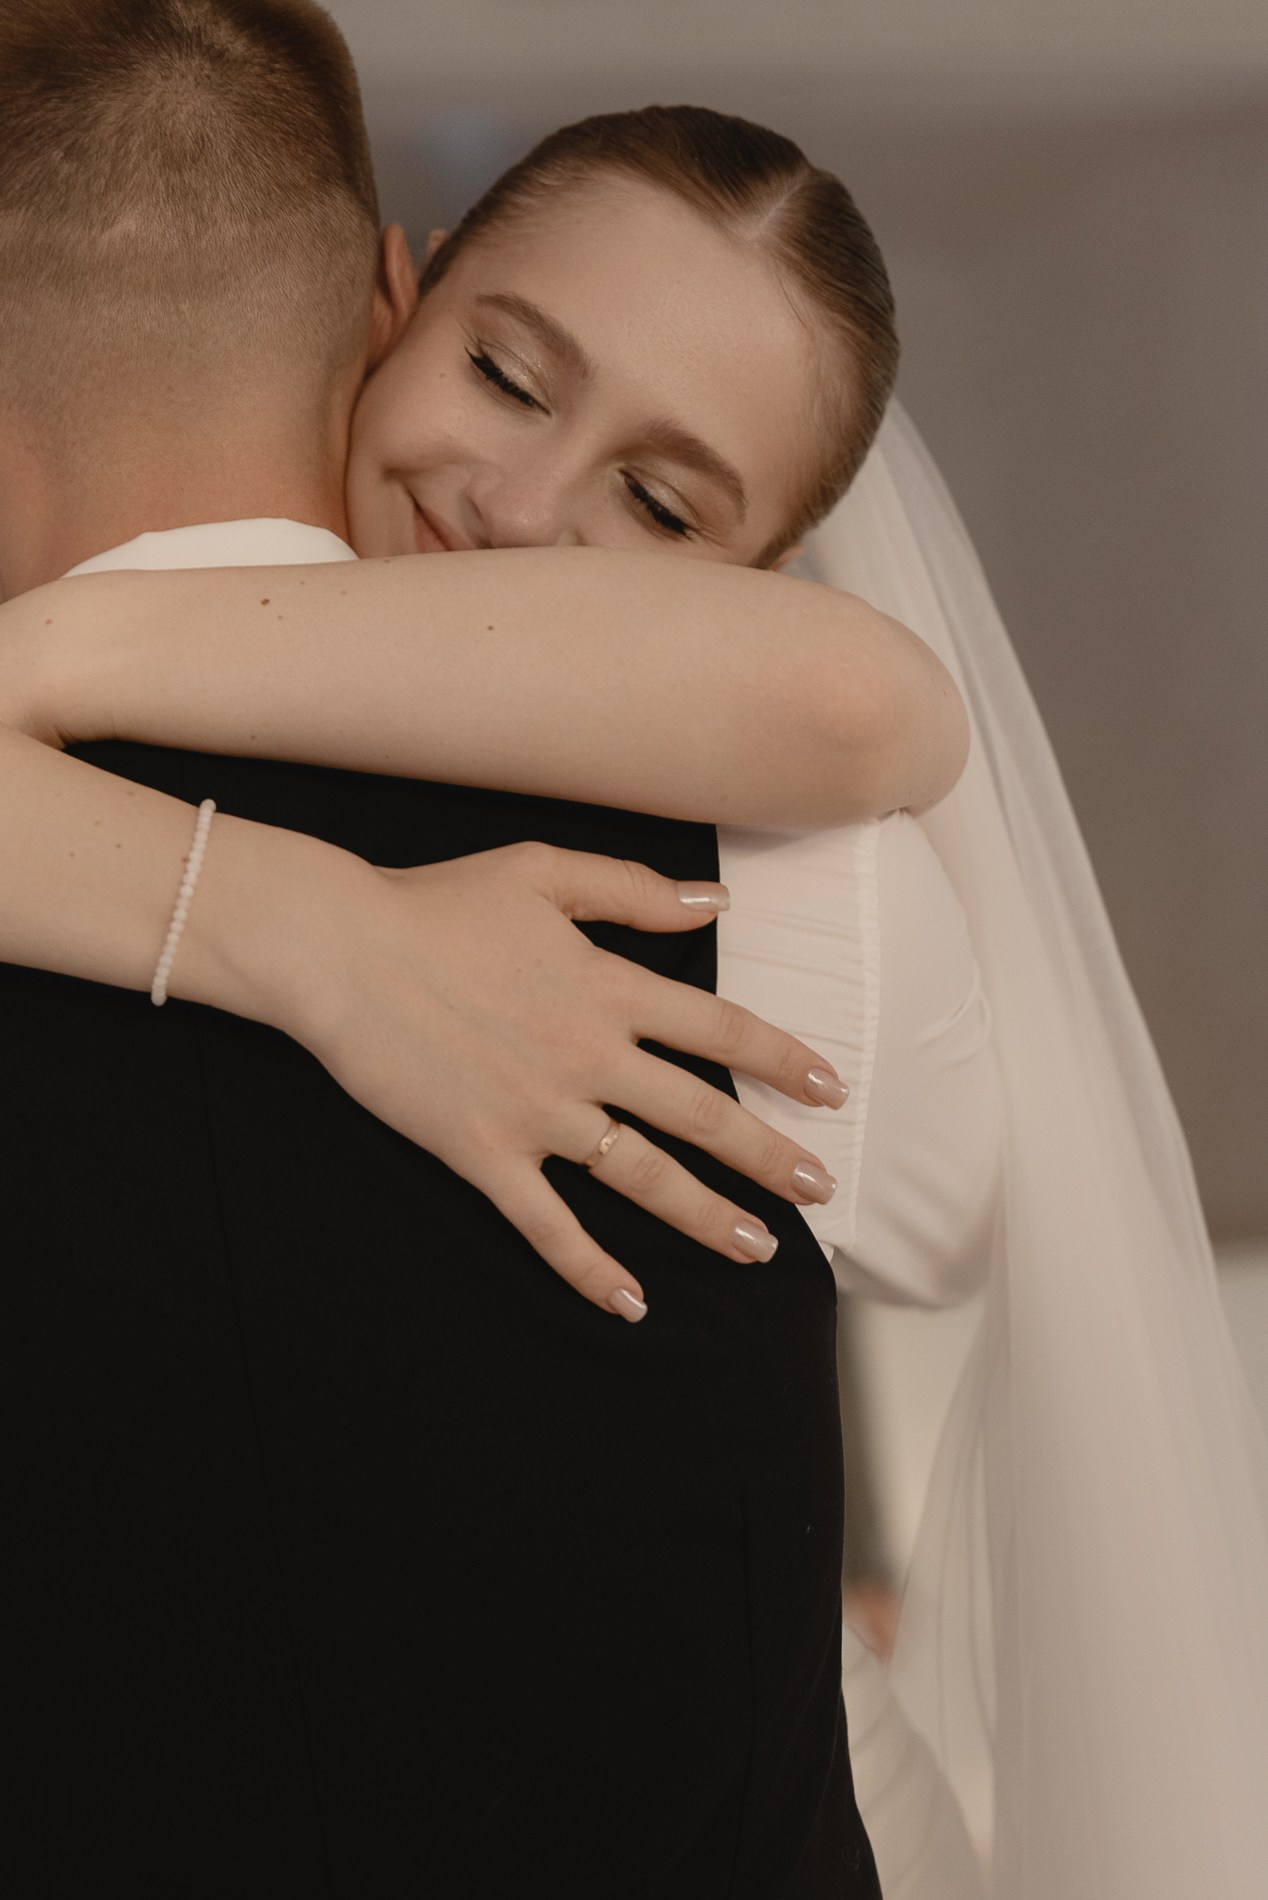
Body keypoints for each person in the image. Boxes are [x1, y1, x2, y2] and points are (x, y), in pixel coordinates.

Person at [0, 7, 977, 1895]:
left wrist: (50, 652)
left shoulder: (797, 812)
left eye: (665, 507)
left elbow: (865, 700)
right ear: (392, 301)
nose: (521, 517)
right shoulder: (808, 904)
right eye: (511, 376)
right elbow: (943, 1208)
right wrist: (308, 932)